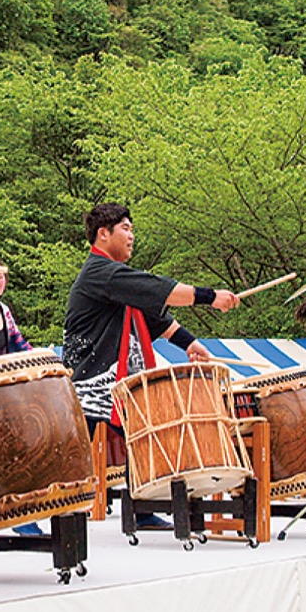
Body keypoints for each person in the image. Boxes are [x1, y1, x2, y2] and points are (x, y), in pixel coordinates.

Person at [63, 203, 239, 528]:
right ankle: (65, 510)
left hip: (113, 377)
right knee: (87, 447)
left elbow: (153, 318)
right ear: (104, 234)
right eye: (126, 229)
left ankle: (140, 510)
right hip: (91, 378)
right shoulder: (102, 273)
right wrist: (210, 296)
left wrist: (189, 343)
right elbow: (160, 291)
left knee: (142, 434)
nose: (132, 236)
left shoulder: (116, 278)